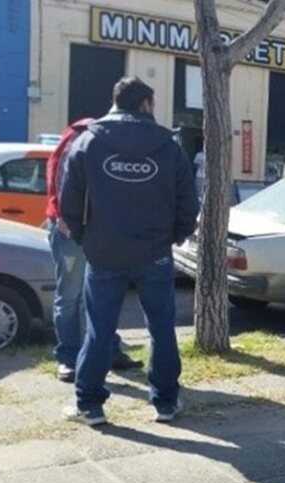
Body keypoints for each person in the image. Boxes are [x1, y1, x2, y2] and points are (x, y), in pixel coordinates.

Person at [59, 77, 200, 426]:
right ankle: (165, 403)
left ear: (115, 101)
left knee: (99, 329)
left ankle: (89, 405)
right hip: (154, 253)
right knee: (161, 329)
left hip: (104, 252)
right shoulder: (168, 145)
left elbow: (69, 199)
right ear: (146, 104)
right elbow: (188, 200)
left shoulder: (88, 140)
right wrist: (177, 235)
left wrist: (84, 237)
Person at [46, 119, 142, 383]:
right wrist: (66, 220)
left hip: (100, 232)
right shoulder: (81, 139)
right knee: (71, 296)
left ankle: (108, 351)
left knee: (102, 295)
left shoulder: (104, 140)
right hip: (72, 231)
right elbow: (62, 183)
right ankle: (68, 358)